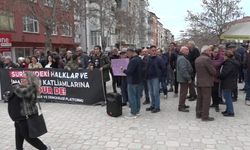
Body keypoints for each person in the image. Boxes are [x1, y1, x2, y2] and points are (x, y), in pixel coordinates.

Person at [8, 72, 53, 150]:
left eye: (24, 78)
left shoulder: (31, 88)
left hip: (26, 117)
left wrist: (14, 86)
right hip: (19, 117)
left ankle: (45, 148)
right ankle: (19, 148)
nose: (21, 79)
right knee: (18, 133)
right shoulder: (21, 87)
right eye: (21, 78)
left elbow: (22, 93)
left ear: (30, 80)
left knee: (29, 137)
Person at [195, 45, 216, 121]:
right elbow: (212, 71)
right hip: (206, 82)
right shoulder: (207, 59)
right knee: (206, 99)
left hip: (199, 81)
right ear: (206, 51)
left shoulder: (197, 59)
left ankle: (198, 113)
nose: (211, 52)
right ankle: (205, 116)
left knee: (199, 98)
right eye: (210, 50)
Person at [122, 48, 143, 118]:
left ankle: (133, 113)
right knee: (137, 96)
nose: (127, 55)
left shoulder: (133, 60)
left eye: (127, 54)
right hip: (138, 81)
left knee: (132, 97)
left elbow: (129, 72)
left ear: (131, 52)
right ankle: (137, 111)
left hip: (132, 81)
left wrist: (123, 70)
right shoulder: (139, 59)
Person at [220, 49, 240, 117]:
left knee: (227, 97)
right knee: (228, 97)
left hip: (227, 82)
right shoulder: (234, 62)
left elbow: (224, 73)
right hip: (232, 81)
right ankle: (227, 110)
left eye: (224, 55)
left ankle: (231, 112)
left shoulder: (228, 63)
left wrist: (219, 76)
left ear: (226, 56)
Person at [146, 45, 165, 113]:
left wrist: (161, 76)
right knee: (151, 93)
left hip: (156, 78)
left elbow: (163, 68)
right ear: (150, 51)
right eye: (152, 50)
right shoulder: (148, 58)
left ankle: (157, 107)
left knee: (156, 93)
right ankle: (152, 105)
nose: (154, 52)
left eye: (155, 50)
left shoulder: (159, 59)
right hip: (149, 78)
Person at [176, 46, 193, 112]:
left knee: (184, 92)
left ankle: (182, 104)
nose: (188, 51)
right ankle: (181, 106)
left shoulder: (181, 57)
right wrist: (188, 78)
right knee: (183, 93)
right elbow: (183, 70)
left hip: (183, 78)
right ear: (182, 51)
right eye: (187, 50)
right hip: (183, 79)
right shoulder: (182, 58)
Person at [210, 45, 225, 111]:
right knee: (212, 92)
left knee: (216, 92)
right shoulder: (210, 57)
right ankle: (214, 103)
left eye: (216, 52)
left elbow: (217, 64)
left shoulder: (221, 57)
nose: (215, 53)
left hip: (217, 77)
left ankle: (217, 105)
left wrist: (211, 63)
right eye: (214, 52)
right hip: (210, 77)